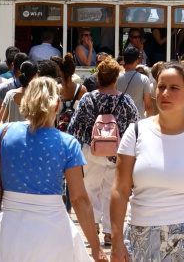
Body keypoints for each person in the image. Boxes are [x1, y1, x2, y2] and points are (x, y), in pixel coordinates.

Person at [0, 76, 106, 262]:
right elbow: (79, 199)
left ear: (25, 102)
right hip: (53, 229)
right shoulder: (67, 143)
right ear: (57, 105)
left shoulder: (4, 133)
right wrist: (96, 248)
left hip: (9, 227)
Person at [110, 62, 184, 262]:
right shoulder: (136, 132)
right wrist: (116, 241)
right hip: (141, 233)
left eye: (174, 88)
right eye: (161, 87)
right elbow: (120, 189)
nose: (165, 93)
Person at [68, 56, 140, 248]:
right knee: (112, 191)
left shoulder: (87, 98)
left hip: (91, 151)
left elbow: (74, 127)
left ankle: (93, 226)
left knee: (91, 190)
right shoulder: (126, 101)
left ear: (98, 77)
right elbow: (136, 127)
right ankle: (110, 232)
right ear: (116, 77)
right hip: (119, 153)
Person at [117, 46, 156, 117]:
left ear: (124, 59)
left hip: (119, 120)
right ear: (136, 61)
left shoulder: (115, 78)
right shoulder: (144, 79)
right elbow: (148, 106)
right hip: (137, 121)